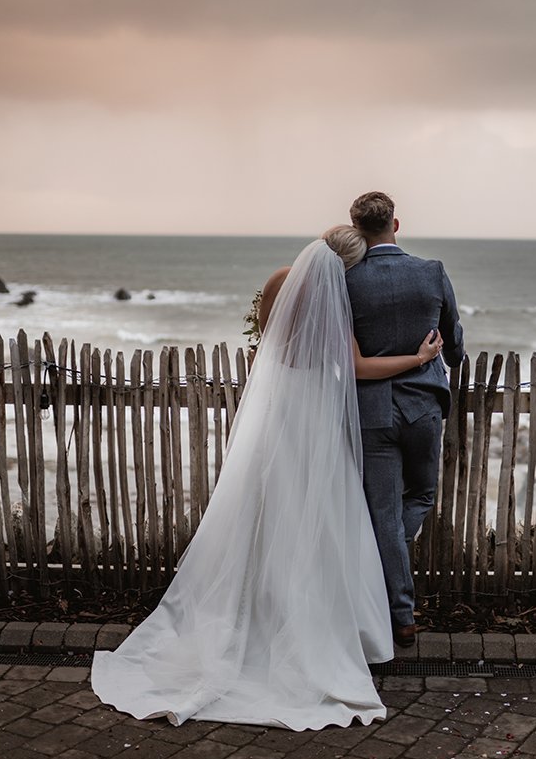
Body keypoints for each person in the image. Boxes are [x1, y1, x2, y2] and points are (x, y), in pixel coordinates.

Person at [91, 226, 443, 730]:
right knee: (315, 515)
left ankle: (251, 610)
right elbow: (358, 366)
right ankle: (304, 624)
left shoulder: (280, 280)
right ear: (349, 265)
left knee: (264, 505)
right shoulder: (337, 298)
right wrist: (420, 358)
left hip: (277, 408)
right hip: (315, 414)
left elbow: (267, 341)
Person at [345, 192, 464, 648]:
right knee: (424, 495)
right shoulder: (431, 271)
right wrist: (451, 360)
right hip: (422, 405)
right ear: (396, 224)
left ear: (357, 228)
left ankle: (400, 615)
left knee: (384, 515)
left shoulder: (348, 279)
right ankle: (396, 579)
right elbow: (451, 332)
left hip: (371, 410)